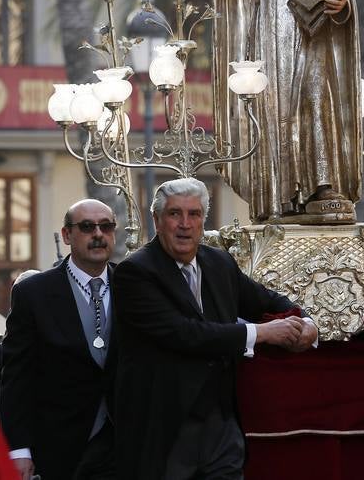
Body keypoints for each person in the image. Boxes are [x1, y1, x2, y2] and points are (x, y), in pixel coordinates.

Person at [111, 177, 317, 480]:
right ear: (157, 220)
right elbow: (185, 334)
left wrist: (305, 321)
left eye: (194, 214)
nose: (185, 224)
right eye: (174, 214)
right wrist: (262, 333)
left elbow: (265, 300)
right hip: (166, 425)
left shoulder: (218, 262)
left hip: (220, 424)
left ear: (203, 221)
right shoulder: (135, 272)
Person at [212, 0, 363, 223]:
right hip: (267, 42)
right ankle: (277, 192)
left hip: (314, 42)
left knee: (315, 102)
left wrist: (341, 7)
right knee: (271, 109)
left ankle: (322, 186)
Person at [0, 200, 118, 480]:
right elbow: (17, 376)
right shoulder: (34, 293)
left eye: (106, 226)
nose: (98, 234)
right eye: (87, 227)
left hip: (124, 446)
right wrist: (18, 450)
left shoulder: (134, 284)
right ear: (67, 235)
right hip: (59, 446)